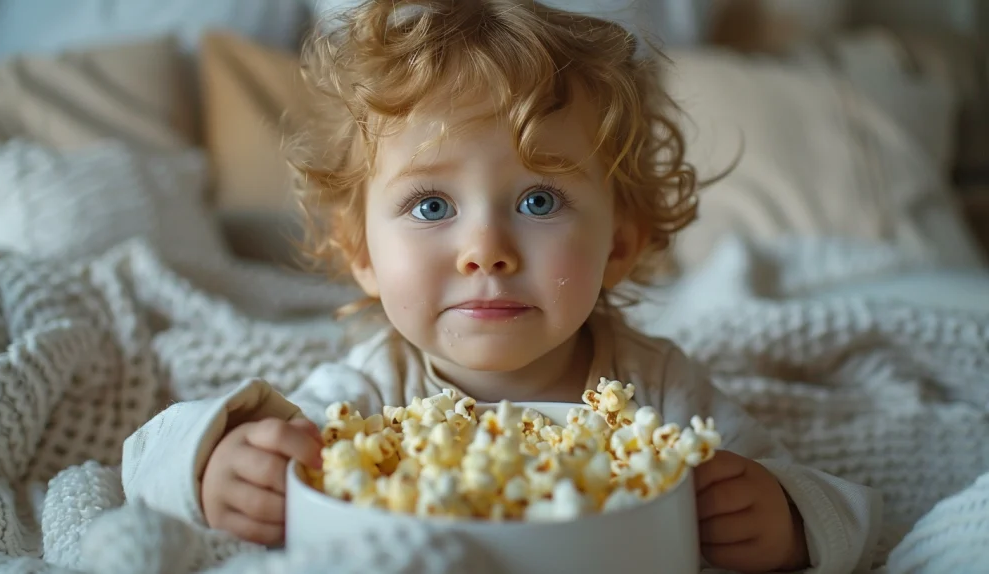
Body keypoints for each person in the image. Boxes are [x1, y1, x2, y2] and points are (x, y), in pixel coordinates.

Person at [121, 1, 881, 572]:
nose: (485, 250)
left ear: (618, 244)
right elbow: (145, 460)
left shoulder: (659, 395)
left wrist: (784, 519)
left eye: (539, 200)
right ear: (362, 254)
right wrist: (212, 465)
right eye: (430, 206)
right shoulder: (362, 400)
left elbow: (847, 509)